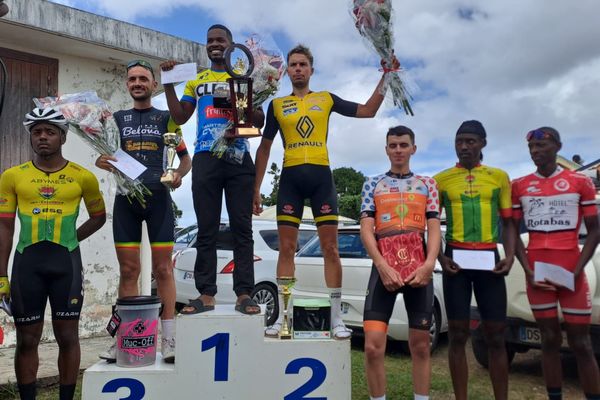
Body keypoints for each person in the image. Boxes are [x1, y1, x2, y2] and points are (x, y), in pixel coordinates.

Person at [253, 44, 398, 339]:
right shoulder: (277, 105)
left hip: (321, 179)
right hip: (290, 180)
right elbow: (265, 147)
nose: (297, 69)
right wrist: (255, 189)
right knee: (287, 249)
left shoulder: (326, 99)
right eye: (293, 65)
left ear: (311, 70)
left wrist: (388, 76)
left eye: (302, 64)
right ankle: (282, 317)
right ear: (287, 71)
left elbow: (368, 111)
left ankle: (335, 319)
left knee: (331, 249)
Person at [0, 108, 106, 400]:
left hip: (66, 265)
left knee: (68, 337)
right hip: (27, 267)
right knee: (26, 341)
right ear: (30, 137)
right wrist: (1, 275)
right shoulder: (12, 176)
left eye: (49, 131)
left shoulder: (82, 177)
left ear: (63, 136)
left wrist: (71, 238)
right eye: (37, 132)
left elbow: (99, 217)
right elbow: (5, 228)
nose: (43, 137)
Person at [160, 24, 263, 315]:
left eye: (220, 40)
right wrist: (168, 83)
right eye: (210, 41)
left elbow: (258, 121)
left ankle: (244, 293)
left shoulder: (244, 77)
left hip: (240, 157)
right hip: (206, 156)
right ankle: (206, 294)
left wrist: (243, 102)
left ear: (232, 46)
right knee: (206, 228)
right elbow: (179, 117)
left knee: (242, 229)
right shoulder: (197, 80)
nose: (214, 44)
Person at [96, 59, 191, 364]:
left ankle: (171, 339)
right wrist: (103, 160)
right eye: (132, 78)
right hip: (126, 201)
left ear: (153, 84)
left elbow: (186, 159)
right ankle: (123, 338)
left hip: (159, 200)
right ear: (127, 84)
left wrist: (178, 174)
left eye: (143, 79)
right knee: (129, 271)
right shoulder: (116, 119)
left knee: (163, 270)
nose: (137, 83)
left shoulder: (166, 119)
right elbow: (106, 154)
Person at [512, 127, 600, 400]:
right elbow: (512, 231)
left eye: (542, 146)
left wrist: (576, 270)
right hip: (538, 272)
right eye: (531, 148)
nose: (536, 151)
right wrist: (526, 269)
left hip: (571, 272)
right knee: (548, 341)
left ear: (558, 147)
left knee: (581, 344)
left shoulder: (580, 182)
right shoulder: (520, 185)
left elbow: (595, 230)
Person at [433, 120, 515, 400]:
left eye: (470, 141)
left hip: (489, 260)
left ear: (483, 143)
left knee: (495, 335)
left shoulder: (499, 177)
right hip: (455, 261)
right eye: (459, 142)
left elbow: (510, 223)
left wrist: (511, 255)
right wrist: (441, 258)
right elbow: (429, 225)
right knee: (457, 335)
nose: (464, 147)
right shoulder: (440, 180)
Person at [359, 126, 441, 400]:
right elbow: (366, 229)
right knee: (372, 346)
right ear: (386, 149)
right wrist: (382, 266)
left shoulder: (427, 184)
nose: (398, 150)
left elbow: (433, 228)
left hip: (418, 268)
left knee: (420, 346)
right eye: (392, 145)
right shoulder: (373, 183)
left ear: (413, 149)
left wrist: (429, 264)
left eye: (403, 145)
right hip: (384, 268)